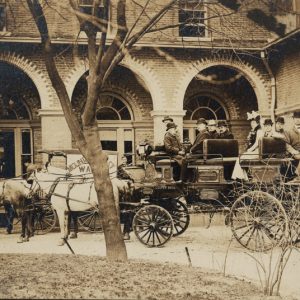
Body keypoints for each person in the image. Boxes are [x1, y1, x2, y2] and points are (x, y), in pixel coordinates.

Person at [232, 112, 263, 180]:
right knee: (240, 159)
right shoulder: (254, 130)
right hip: (254, 151)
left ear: (257, 123)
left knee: (240, 159)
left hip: (258, 151)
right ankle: (243, 177)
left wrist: (250, 149)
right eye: (251, 123)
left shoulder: (259, 131)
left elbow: (258, 143)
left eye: (254, 123)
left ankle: (241, 177)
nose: (252, 124)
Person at [282, 111, 300, 182]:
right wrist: (293, 151)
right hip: (294, 153)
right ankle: (297, 176)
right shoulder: (288, 131)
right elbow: (286, 144)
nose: (298, 120)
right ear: (293, 119)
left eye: (299, 118)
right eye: (296, 118)